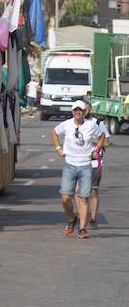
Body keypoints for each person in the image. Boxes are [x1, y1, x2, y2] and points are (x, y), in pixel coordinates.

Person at [52, 101, 108, 239]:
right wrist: (58, 148)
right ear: (72, 112)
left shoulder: (91, 125)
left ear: (84, 112)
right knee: (65, 198)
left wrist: (97, 150)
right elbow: (54, 132)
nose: (78, 112)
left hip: (85, 166)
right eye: (75, 110)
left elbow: (102, 136)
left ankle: (82, 228)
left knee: (83, 198)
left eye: (80, 110)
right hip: (70, 165)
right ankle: (72, 219)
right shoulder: (67, 124)